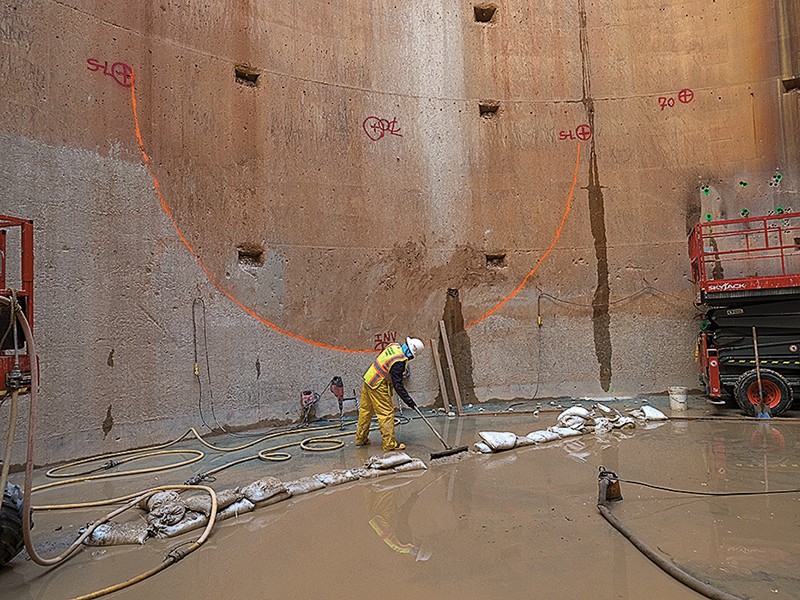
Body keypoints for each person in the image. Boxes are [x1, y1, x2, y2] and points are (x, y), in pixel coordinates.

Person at [355, 337, 425, 452]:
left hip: (369, 379)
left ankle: (360, 438)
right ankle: (389, 444)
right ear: (411, 353)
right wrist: (409, 401)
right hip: (378, 384)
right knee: (386, 414)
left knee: (365, 411)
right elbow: (398, 386)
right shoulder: (399, 362)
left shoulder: (394, 346)